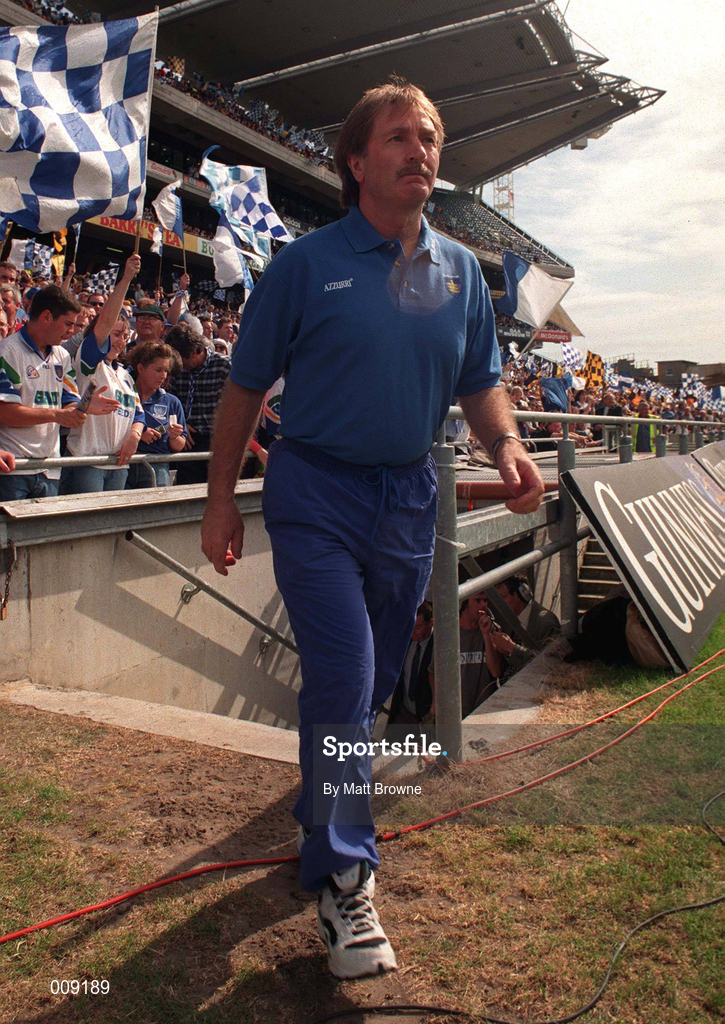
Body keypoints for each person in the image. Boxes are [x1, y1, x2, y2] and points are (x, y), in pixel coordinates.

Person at [200, 77, 544, 979]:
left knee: (372, 684)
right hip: (314, 490)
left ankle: (321, 831)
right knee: (347, 674)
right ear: (357, 162)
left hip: (408, 499)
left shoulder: (464, 270)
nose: (418, 149)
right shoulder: (305, 265)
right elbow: (243, 388)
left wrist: (504, 442)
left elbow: (479, 383)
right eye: (398, 136)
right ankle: (347, 884)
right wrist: (220, 498)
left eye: (428, 136)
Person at [0, 286, 119, 501]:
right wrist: (57, 415)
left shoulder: (62, 355)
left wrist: (82, 408)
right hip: (13, 468)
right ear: (46, 316)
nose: (72, 331)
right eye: (67, 324)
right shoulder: (8, 351)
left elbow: (68, 403)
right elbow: (6, 412)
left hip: (49, 468)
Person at [63, 255, 146, 494]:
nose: (121, 341)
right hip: (88, 463)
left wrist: (134, 435)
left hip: (118, 465)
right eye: (116, 334)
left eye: (125, 336)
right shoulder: (89, 361)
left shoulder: (126, 375)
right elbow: (104, 324)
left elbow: (138, 413)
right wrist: (127, 279)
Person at [166, 322, 230, 485]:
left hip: (217, 441)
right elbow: (169, 402)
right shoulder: (176, 370)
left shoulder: (224, 365)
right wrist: (182, 424)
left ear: (196, 352)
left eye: (182, 360)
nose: (178, 365)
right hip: (187, 441)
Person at [126, 341, 187, 487]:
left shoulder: (171, 402)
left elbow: (179, 445)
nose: (163, 376)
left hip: (157, 467)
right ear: (140, 368)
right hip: (123, 464)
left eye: (166, 371)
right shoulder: (124, 395)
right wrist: (140, 434)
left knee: (156, 510)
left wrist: (174, 436)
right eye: (158, 370)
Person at [388, 601, 434, 725]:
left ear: (431, 623)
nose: (414, 631)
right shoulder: (406, 640)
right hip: (403, 711)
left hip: (426, 716)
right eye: (411, 626)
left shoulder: (438, 647)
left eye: (418, 627)